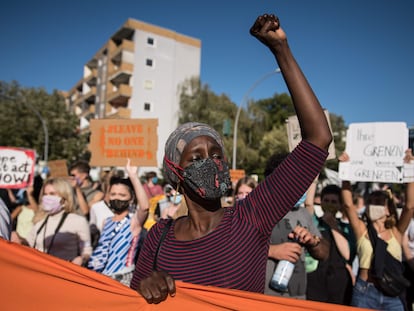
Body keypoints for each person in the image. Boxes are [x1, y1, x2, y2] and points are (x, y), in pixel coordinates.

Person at [130, 13, 332, 304]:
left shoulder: (252, 216)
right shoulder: (159, 238)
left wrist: (280, 50)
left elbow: (318, 138)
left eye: (216, 154)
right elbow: (129, 302)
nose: (210, 162)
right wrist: (146, 288)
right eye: (196, 157)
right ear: (175, 176)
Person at [340, 149, 414, 311]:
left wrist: (410, 169)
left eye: (380, 202)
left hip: (392, 294)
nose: (374, 204)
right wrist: (345, 171)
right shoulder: (362, 230)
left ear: (388, 210)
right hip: (365, 293)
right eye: (371, 201)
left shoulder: (397, 232)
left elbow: (409, 206)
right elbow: (348, 205)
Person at [263, 152, 330, 299]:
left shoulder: (303, 213)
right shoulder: (258, 210)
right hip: (264, 298)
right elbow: (232, 246)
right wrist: (272, 251)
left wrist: (313, 242)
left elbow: (324, 253)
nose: (300, 185)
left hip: (297, 298)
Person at [88, 159, 149, 286]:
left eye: (122, 195)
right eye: (113, 194)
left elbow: (144, 208)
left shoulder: (134, 221)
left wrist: (133, 176)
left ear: (131, 198)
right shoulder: (106, 221)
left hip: (122, 278)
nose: (116, 198)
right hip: (100, 276)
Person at [306, 184, 355, 305]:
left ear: (340, 205)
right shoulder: (315, 222)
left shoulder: (345, 228)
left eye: (334, 202)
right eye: (326, 200)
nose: (330, 204)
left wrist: (333, 225)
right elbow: (308, 204)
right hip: (315, 279)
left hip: (339, 282)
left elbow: (347, 254)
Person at [25, 177, 92, 266]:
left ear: (64, 198)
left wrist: (82, 259)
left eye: (52, 194)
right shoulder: (40, 220)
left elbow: (86, 250)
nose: (47, 197)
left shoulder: (78, 221)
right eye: (45, 194)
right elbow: (28, 243)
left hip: (64, 272)